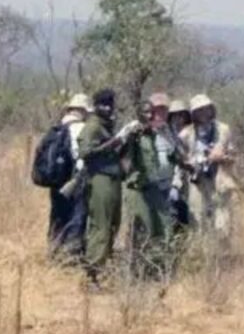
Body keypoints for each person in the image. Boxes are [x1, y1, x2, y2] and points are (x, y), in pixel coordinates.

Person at [77, 89, 140, 287]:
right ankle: (91, 274)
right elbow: (85, 153)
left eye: (110, 103)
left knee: (113, 223)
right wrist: (116, 140)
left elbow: (115, 155)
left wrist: (127, 139)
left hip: (114, 179)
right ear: (96, 106)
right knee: (101, 226)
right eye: (104, 104)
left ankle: (102, 268)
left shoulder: (106, 126)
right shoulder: (93, 126)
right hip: (100, 179)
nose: (108, 107)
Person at [124, 93, 185, 280]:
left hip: (165, 188)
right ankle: (136, 272)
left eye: (164, 110)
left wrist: (176, 184)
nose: (160, 113)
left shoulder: (169, 131)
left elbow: (178, 159)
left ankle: (159, 270)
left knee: (164, 229)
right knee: (142, 228)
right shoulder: (134, 128)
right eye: (156, 109)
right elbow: (120, 152)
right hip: (141, 189)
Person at [179, 94, 237, 243]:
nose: (203, 112)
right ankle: (201, 254)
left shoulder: (223, 130)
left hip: (219, 181)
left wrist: (221, 157)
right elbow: (179, 160)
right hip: (197, 183)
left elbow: (233, 156)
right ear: (193, 113)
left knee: (223, 222)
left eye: (205, 108)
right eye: (199, 110)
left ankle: (222, 254)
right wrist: (192, 163)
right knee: (198, 221)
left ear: (211, 109)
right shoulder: (185, 134)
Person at [48, 93, 91, 260]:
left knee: (58, 216)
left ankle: (53, 252)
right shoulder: (82, 129)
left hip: (56, 180)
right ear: (83, 110)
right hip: (75, 180)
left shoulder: (57, 129)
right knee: (76, 216)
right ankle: (71, 257)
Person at [167, 99, 192, 228]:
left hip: (189, 178)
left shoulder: (191, 133)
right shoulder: (167, 134)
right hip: (170, 179)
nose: (178, 118)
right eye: (175, 115)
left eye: (181, 114)